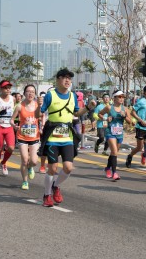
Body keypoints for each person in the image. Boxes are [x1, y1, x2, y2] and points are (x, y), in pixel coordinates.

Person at [35, 68, 95, 207]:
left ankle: (56, 186)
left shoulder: (72, 96)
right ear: (58, 79)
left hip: (67, 137)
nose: (68, 80)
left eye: (70, 78)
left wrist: (88, 107)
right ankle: (47, 195)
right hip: (52, 138)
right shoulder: (50, 95)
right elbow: (39, 114)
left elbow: (77, 113)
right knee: (52, 168)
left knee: (68, 167)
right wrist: (39, 105)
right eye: (65, 77)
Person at [11, 84, 41, 190]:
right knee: (24, 160)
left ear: (35, 94)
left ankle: (30, 167)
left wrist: (43, 125)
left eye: (32, 92)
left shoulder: (37, 105)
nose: (30, 93)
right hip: (22, 136)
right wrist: (14, 126)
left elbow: (42, 116)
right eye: (28, 91)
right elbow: (11, 119)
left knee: (34, 161)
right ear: (24, 93)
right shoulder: (19, 106)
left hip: (34, 137)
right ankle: (25, 181)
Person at [97, 90, 132, 180]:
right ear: (114, 98)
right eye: (119, 97)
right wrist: (106, 118)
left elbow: (130, 122)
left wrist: (124, 116)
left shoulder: (125, 109)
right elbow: (99, 114)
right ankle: (114, 173)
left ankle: (107, 168)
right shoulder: (109, 107)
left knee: (114, 153)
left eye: (123, 97)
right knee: (114, 151)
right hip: (110, 132)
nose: (121, 99)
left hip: (119, 133)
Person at [125, 85, 146, 173]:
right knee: (139, 147)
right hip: (141, 127)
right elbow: (132, 112)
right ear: (145, 93)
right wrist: (140, 120)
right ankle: (130, 156)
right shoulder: (141, 101)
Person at [0, 80, 16, 177]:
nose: (8, 89)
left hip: (9, 126)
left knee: (11, 148)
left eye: (9, 88)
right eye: (5, 88)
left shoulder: (13, 99)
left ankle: (3, 162)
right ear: (1, 89)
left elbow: (15, 111)